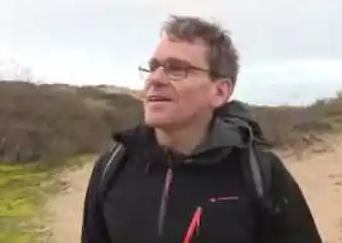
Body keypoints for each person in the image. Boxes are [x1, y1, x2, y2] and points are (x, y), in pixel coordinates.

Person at [81, 15, 322, 243]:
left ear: (219, 91)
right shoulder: (113, 167)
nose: (155, 79)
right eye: (153, 67)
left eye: (176, 69)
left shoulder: (259, 172)